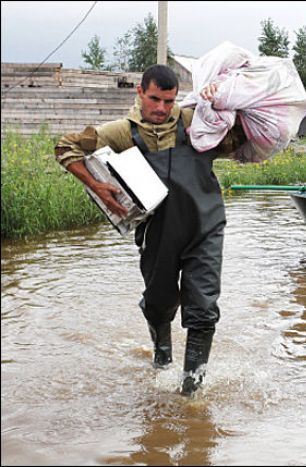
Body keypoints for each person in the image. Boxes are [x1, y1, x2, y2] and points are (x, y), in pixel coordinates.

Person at [54, 64, 246, 397]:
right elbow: (65, 148)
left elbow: (236, 140)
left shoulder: (193, 121)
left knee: (203, 309)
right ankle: (162, 358)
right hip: (158, 232)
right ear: (140, 93)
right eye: (154, 99)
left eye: (168, 101)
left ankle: (191, 392)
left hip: (206, 226)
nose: (161, 109)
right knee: (160, 303)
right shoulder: (123, 132)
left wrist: (223, 103)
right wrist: (97, 186)